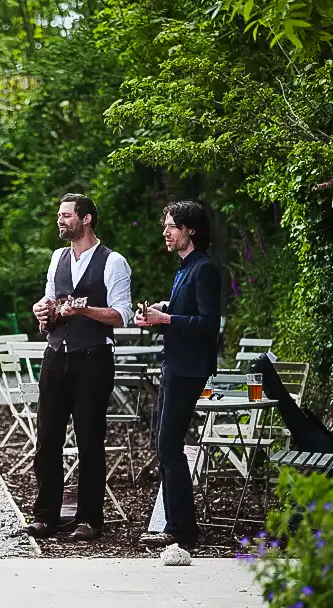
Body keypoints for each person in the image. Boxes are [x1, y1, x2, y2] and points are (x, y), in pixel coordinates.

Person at [27, 193, 133, 541]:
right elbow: (49, 301)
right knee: (47, 439)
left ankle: (90, 519)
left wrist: (84, 311)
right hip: (56, 355)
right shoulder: (57, 257)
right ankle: (45, 516)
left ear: (86, 219)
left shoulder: (113, 261)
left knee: (90, 441)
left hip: (93, 358)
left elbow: (122, 316)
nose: (61, 221)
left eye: (67, 215)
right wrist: (43, 313)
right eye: (59, 215)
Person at [135, 200, 221, 548]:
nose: (165, 231)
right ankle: (175, 523)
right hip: (175, 363)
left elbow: (208, 324)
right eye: (165, 225)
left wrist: (165, 319)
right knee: (165, 444)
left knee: (169, 445)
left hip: (190, 368)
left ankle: (181, 527)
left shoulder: (204, 269)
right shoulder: (184, 268)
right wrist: (162, 309)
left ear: (191, 230)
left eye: (172, 226)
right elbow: (185, 310)